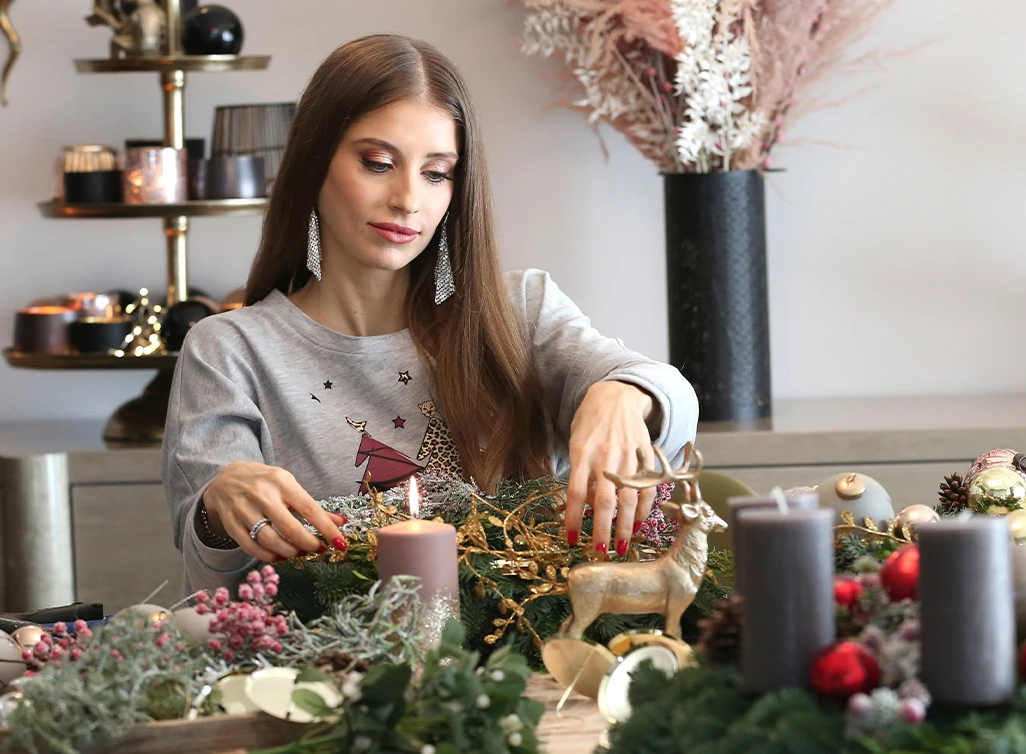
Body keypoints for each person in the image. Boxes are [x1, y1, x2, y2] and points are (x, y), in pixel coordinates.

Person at [162, 34, 698, 594]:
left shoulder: (521, 311)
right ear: (314, 162)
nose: (407, 199)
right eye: (377, 163)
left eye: (436, 173)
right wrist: (220, 504)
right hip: (341, 674)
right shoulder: (229, 351)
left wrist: (623, 395)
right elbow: (213, 589)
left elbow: (677, 405)